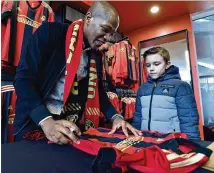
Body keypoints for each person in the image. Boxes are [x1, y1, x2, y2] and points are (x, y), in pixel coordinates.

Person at [14, 1, 141, 145]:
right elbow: (23, 80)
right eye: (105, 29)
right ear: (88, 18)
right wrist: (46, 121)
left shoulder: (96, 55)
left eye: (112, 34)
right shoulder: (50, 33)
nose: (108, 38)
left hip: (70, 125)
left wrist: (116, 117)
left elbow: (98, 91)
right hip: (35, 123)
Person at [132, 46, 200, 140]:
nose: (151, 68)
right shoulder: (143, 88)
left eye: (156, 64)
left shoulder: (181, 86)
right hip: (146, 140)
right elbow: (138, 117)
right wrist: (134, 136)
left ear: (167, 64)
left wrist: (193, 145)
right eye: (148, 65)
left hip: (172, 141)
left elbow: (189, 120)